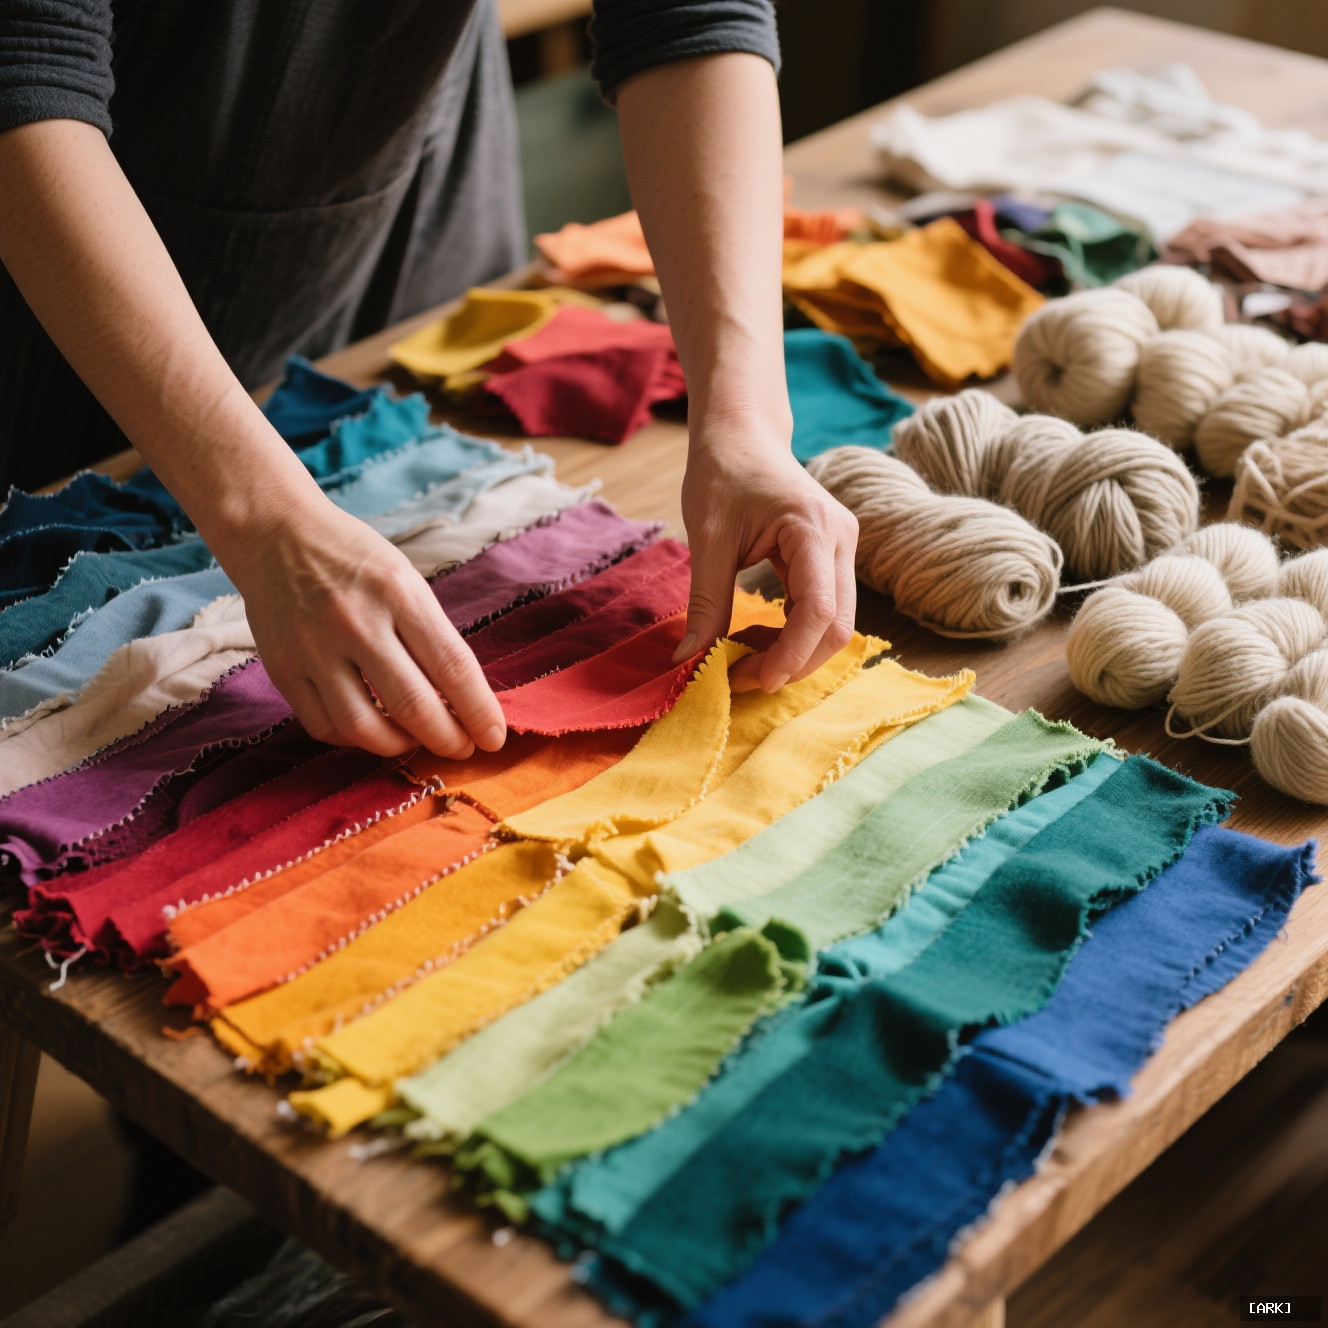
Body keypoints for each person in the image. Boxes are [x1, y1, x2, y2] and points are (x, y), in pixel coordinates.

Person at [0, 0, 858, 763]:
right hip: (65, 322)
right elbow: (23, 71)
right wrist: (265, 517)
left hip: (405, 183)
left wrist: (745, 424)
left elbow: (686, 14)